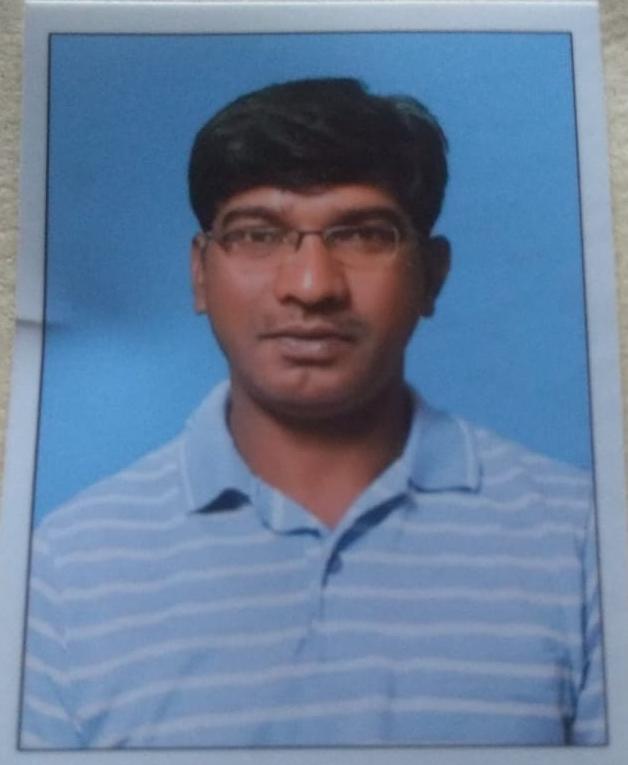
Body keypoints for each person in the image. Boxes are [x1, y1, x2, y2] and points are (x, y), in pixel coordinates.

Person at [21, 78, 606, 749]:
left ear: (432, 274)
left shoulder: (582, 539)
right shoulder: (68, 568)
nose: (311, 286)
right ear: (199, 274)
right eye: (256, 234)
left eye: (364, 234)